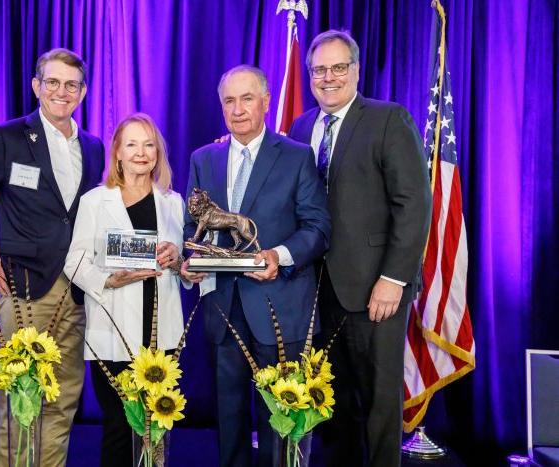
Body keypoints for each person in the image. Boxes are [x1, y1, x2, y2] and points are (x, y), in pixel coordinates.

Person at [0, 48, 105, 466]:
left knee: (63, 399)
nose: (61, 91)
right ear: (37, 86)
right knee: (21, 400)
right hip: (25, 289)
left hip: (77, 291)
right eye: (51, 82)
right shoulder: (9, 138)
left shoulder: (94, 148)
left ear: (83, 92)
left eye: (71, 85)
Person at [288, 30, 432, 467]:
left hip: (376, 287)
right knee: (331, 399)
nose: (327, 78)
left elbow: (414, 203)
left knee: (379, 399)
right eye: (319, 70)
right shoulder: (300, 126)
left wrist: (394, 279)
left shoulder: (387, 119)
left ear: (355, 70)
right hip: (317, 288)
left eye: (337, 68)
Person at [182, 65, 331, 467]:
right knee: (228, 418)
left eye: (247, 98)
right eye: (229, 100)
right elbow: (190, 227)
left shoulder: (297, 156)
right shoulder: (203, 158)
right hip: (224, 309)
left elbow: (318, 227)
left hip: (281, 308)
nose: (238, 109)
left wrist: (277, 256)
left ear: (266, 102)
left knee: (281, 422)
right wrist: (188, 263)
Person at [64, 113, 187, 466]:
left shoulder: (173, 203)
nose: (141, 152)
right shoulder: (94, 201)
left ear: (158, 153)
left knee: (156, 427)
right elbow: (73, 261)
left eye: (149, 145)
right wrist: (107, 279)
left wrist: (178, 259)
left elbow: (185, 271)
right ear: (117, 151)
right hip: (112, 331)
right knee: (119, 426)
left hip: (160, 334)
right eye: (131, 144)